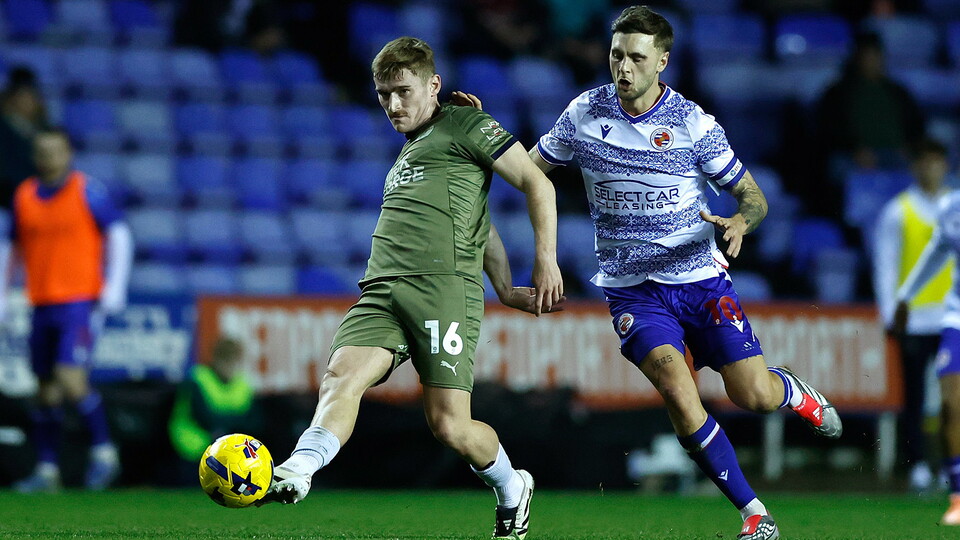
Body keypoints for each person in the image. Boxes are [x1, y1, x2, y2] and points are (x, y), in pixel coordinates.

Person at [461, 7, 842, 540]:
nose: (623, 67)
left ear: (662, 61)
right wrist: (477, 135)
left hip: (700, 283)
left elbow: (753, 196)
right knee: (676, 387)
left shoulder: (692, 123)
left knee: (752, 395)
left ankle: (791, 391)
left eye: (636, 58)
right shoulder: (583, 114)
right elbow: (526, 171)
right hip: (633, 291)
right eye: (616, 55)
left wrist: (741, 220)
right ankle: (755, 513)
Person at [260, 37, 564, 540]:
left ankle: (513, 486)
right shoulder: (411, 152)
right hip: (381, 289)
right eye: (384, 95)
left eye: (403, 91)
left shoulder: (466, 124)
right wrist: (505, 288)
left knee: (450, 426)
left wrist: (543, 263)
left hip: (443, 291)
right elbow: (481, 224)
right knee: (340, 376)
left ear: (433, 85)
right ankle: (299, 468)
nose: (393, 105)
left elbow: (539, 183)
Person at [0, 128, 133, 491]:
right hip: (40, 301)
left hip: (78, 300)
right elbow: (11, 248)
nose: (48, 158)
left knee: (70, 377)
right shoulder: (24, 195)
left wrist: (114, 287)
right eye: (42, 151)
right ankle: (47, 470)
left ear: (68, 153)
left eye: (55, 151)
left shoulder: (87, 191)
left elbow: (119, 234)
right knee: (45, 389)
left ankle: (105, 453)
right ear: (35, 155)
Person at [874, 138, 953, 492]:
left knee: (953, 397)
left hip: (950, 316)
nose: (931, 169)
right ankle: (919, 464)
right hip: (915, 320)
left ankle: (950, 464)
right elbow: (886, 266)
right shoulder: (898, 211)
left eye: (936, 162)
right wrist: (890, 315)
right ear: (915, 167)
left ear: (945, 166)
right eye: (925, 162)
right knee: (915, 397)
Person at [894, 186, 960, 525]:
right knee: (950, 404)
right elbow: (938, 250)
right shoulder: (952, 208)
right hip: (957, 317)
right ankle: (958, 498)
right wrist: (906, 295)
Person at [168, 337, 258, 468]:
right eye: (226, 361)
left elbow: (254, 422)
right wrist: (234, 419)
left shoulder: (243, 384)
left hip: (230, 452)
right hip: (192, 447)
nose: (230, 367)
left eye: (234, 361)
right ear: (216, 359)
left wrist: (222, 421)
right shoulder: (198, 378)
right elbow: (205, 418)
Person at [0, 66, 48, 210]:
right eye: (21, 96)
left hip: (39, 199)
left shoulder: (44, 129)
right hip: (7, 198)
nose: (26, 101)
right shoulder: (3, 128)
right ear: (10, 98)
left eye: (30, 96)